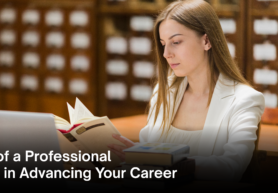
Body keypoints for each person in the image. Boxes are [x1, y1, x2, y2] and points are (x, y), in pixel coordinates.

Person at [107, 0, 265, 181]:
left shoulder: (245, 99)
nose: (166, 53)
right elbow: (151, 166)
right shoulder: (164, 91)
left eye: (176, 42)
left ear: (206, 41)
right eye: (163, 43)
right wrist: (137, 155)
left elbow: (231, 167)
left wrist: (164, 161)